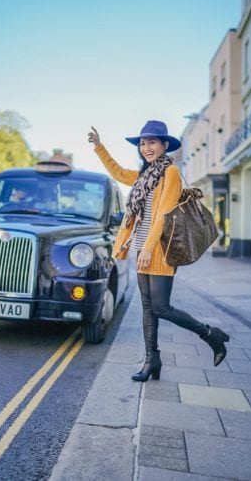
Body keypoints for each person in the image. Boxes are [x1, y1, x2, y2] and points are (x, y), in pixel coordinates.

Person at [88, 120, 230, 382]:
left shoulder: (171, 173)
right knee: (147, 308)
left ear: (165, 145)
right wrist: (99, 147)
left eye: (152, 142)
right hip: (142, 249)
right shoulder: (145, 176)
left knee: (162, 307)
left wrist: (149, 248)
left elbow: (164, 215)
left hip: (161, 252)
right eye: (143, 143)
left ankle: (211, 335)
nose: (146, 147)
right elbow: (118, 173)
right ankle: (152, 360)